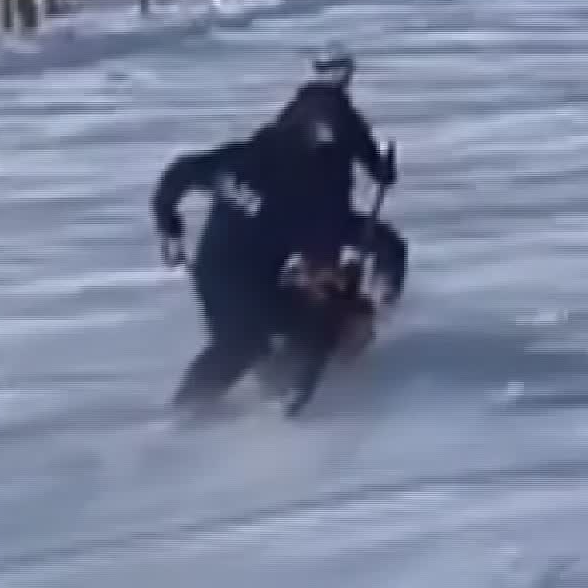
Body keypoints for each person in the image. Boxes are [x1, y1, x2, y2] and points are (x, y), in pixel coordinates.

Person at [151, 128, 352, 418]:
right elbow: (322, 266)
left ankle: (277, 389)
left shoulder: (239, 161)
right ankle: (190, 412)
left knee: (259, 337)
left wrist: (168, 227)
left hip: (229, 276)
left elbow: (179, 173)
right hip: (233, 280)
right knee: (249, 340)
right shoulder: (301, 200)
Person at [266, 43, 409, 305]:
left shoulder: (290, 113)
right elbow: (379, 172)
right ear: (344, 74)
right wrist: (386, 166)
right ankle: (381, 305)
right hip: (328, 216)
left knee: (309, 264)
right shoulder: (344, 115)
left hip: (281, 217)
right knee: (390, 247)